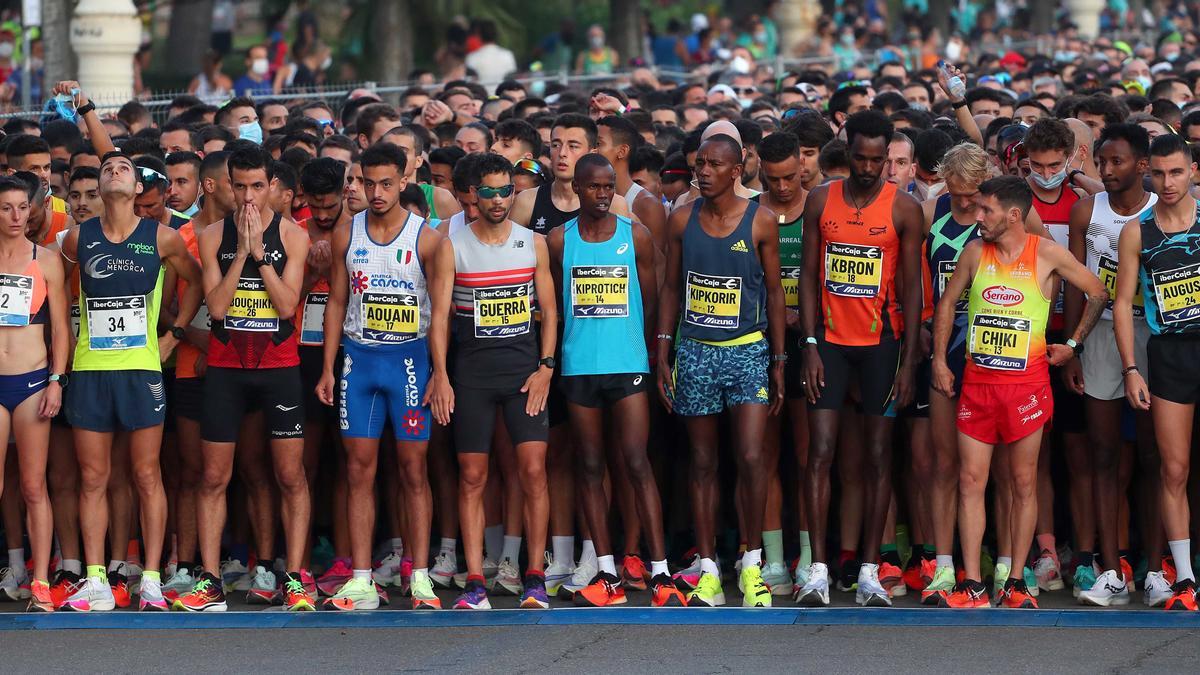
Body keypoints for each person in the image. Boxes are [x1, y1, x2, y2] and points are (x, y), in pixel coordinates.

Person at [934, 175, 1106, 609]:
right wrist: (939, 360)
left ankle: (1014, 578)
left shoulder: (1045, 252)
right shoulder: (975, 252)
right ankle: (972, 581)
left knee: (1023, 481)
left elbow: (1098, 292)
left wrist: (1072, 344)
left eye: (985, 210)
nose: (978, 217)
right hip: (979, 382)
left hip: (1027, 384)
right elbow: (946, 303)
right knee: (971, 480)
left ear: (1012, 215)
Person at [58, 149, 204, 612]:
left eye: (124, 169)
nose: (116, 172)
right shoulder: (75, 240)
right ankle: (97, 579)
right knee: (94, 477)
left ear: (137, 188)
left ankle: (153, 581)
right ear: (97, 190)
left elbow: (195, 283)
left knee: (146, 474)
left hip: (142, 371)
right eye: (108, 169)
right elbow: (61, 303)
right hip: (91, 370)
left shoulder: (162, 237)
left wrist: (175, 334)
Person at [795, 110, 924, 608]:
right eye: (862, 158)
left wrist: (910, 360)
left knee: (877, 455)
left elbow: (912, 290)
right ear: (847, 152)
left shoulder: (905, 209)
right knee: (819, 454)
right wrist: (808, 345)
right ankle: (819, 568)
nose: (870, 168)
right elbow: (807, 275)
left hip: (882, 346)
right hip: (828, 342)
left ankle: (870, 568)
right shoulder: (821, 199)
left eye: (879, 160)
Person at [315, 143, 451, 610]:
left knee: (414, 470)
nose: (375, 192)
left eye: (386, 184)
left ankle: (421, 577)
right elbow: (336, 301)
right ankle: (361, 577)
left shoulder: (428, 239)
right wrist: (328, 367)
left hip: (409, 361)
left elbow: (441, 315)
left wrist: (443, 374)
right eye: (367, 182)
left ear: (403, 181)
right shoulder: (345, 234)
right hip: (360, 359)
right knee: (358, 470)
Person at [178, 146, 314, 612]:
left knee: (289, 475)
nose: (250, 197)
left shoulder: (293, 236)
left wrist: (261, 256)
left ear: (272, 186)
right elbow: (215, 308)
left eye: (259, 186)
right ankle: (211, 579)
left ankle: (293, 577)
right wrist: (241, 255)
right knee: (214, 476)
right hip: (225, 370)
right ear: (228, 186)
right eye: (241, 186)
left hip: (278, 371)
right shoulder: (213, 233)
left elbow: (286, 306)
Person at [546, 154, 683, 607]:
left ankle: (661, 572)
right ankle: (606, 573)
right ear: (577, 188)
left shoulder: (635, 236)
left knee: (635, 463)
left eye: (609, 187)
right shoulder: (558, 242)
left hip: (627, 367)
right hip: (579, 366)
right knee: (588, 465)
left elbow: (653, 297)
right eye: (594, 187)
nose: (603, 195)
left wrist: (649, 356)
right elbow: (553, 308)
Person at [656, 132, 786, 608]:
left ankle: (751, 565)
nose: (703, 171)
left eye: (714, 165)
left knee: (751, 458)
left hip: (748, 350)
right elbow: (671, 288)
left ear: (737, 171)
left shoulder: (762, 221)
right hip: (695, 351)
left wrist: (778, 359)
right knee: (703, 461)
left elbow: (775, 294)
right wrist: (663, 350)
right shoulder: (681, 220)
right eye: (699, 164)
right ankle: (708, 567)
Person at [442, 153, 556, 610]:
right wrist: (442, 378)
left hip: (524, 374)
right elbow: (437, 322)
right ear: (473, 195)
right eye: (487, 191)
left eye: (505, 190)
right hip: (470, 375)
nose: (497, 199)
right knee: (472, 476)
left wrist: (546, 367)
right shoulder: (454, 246)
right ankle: (474, 581)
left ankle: (534, 577)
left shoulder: (534, 243)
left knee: (533, 472)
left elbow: (550, 310)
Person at [1065, 123, 1160, 607]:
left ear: (1143, 165)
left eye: (1117, 161)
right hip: (1099, 336)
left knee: (1153, 460)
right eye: (1101, 161)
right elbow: (1074, 285)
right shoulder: (1087, 210)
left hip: (1154, 337)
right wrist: (1072, 348)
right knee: (1105, 458)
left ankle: (1158, 568)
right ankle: (1110, 568)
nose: (1106, 169)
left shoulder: (1164, 213)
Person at [1115, 133, 1200, 611]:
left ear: (1192, 171)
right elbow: (1123, 302)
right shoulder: (1137, 232)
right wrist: (1131, 368)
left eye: (1177, 173)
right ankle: (1184, 579)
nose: (1167, 183)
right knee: (1174, 468)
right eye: (1159, 174)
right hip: (1168, 354)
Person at [161, 150, 234, 603]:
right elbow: (169, 308)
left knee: (245, 472)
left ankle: (248, 562)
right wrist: (201, 342)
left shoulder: (249, 232)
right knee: (192, 473)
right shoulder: (182, 237)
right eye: (234, 183)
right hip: (191, 367)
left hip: (242, 367)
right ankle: (184, 565)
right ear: (211, 186)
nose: (243, 191)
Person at [0, 176, 69, 611]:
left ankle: (41, 580)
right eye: (5, 207)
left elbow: (61, 328)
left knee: (32, 485)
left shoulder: (45, 260)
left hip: (30, 381)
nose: (14, 216)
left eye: (21, 207)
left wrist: (57, 380)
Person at [751, 131, 810, 597]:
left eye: (791, 176)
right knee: (764, 457)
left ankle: (809, 557)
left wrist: (801, 318)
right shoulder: (751, 212)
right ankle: (772, 561)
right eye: (774, 179)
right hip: (760, 348)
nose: (784, 186)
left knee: (810, 457)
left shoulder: (822, 209)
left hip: (810, 347)